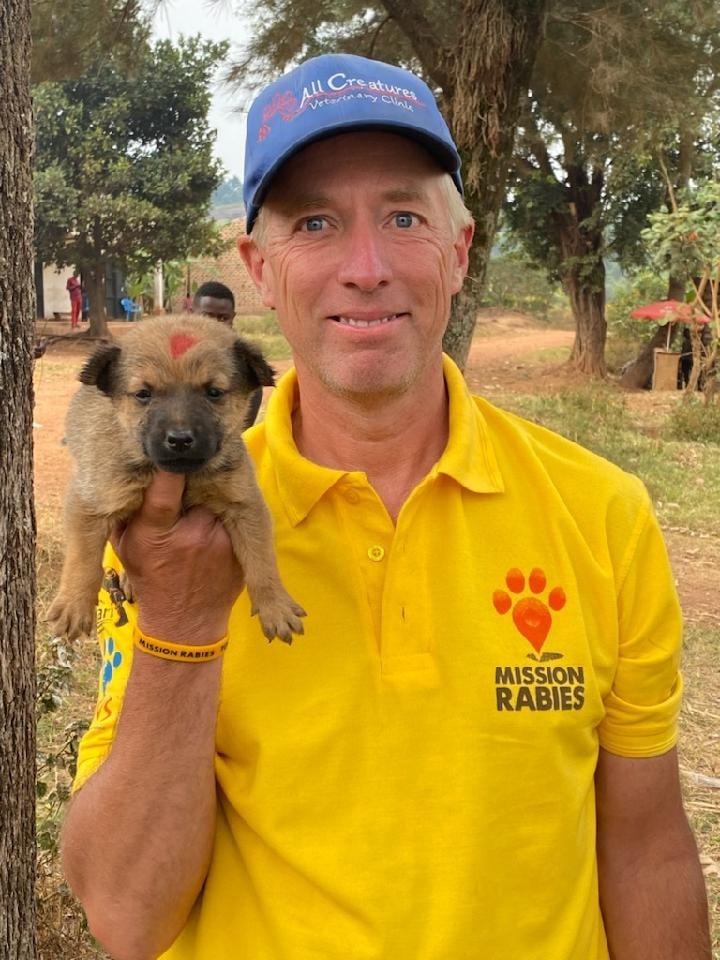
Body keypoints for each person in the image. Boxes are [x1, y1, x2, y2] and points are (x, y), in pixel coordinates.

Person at [61, 53, 711, 960]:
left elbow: (644, 847)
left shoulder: (603, 514)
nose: (364, 269)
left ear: (459, 249)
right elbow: (126, 917)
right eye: (315, 223)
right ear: (259, 265)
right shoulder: (162, 533)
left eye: (403, 216)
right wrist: (180, 621)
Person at [192, 280, 263, 427]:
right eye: (207, 316)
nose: (215, 325)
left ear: (233, 318)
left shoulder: (243, 364)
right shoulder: (172, 357)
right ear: (192, 314)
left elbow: (243, 427)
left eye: (223, 318)